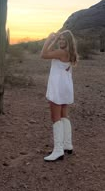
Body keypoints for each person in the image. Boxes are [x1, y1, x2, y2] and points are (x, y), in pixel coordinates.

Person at [40, 30, 78, 162]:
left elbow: (43, 55)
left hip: (58, 87)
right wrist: (55, 41)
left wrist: (49, 40)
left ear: (68, 41)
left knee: (55, 117)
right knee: (63, 115)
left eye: (63, 39)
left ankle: (58, 151)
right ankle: (67, 145)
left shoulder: (61, 52)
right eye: (60, 39)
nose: (61, 41)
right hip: (65, 86)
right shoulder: (70, 53)